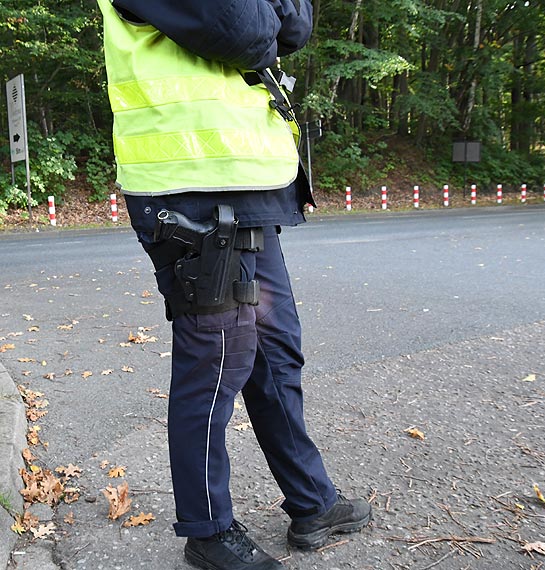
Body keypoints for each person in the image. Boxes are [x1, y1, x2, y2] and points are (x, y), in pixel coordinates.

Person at [96, 1, 372, 568]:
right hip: (190, 191)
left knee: (274, 351)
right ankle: (208, 531)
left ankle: (312, 501)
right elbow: (241, 29)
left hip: (245, 185)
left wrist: (269, 21)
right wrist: (267, 21)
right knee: (214, 362)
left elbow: (291, 26)